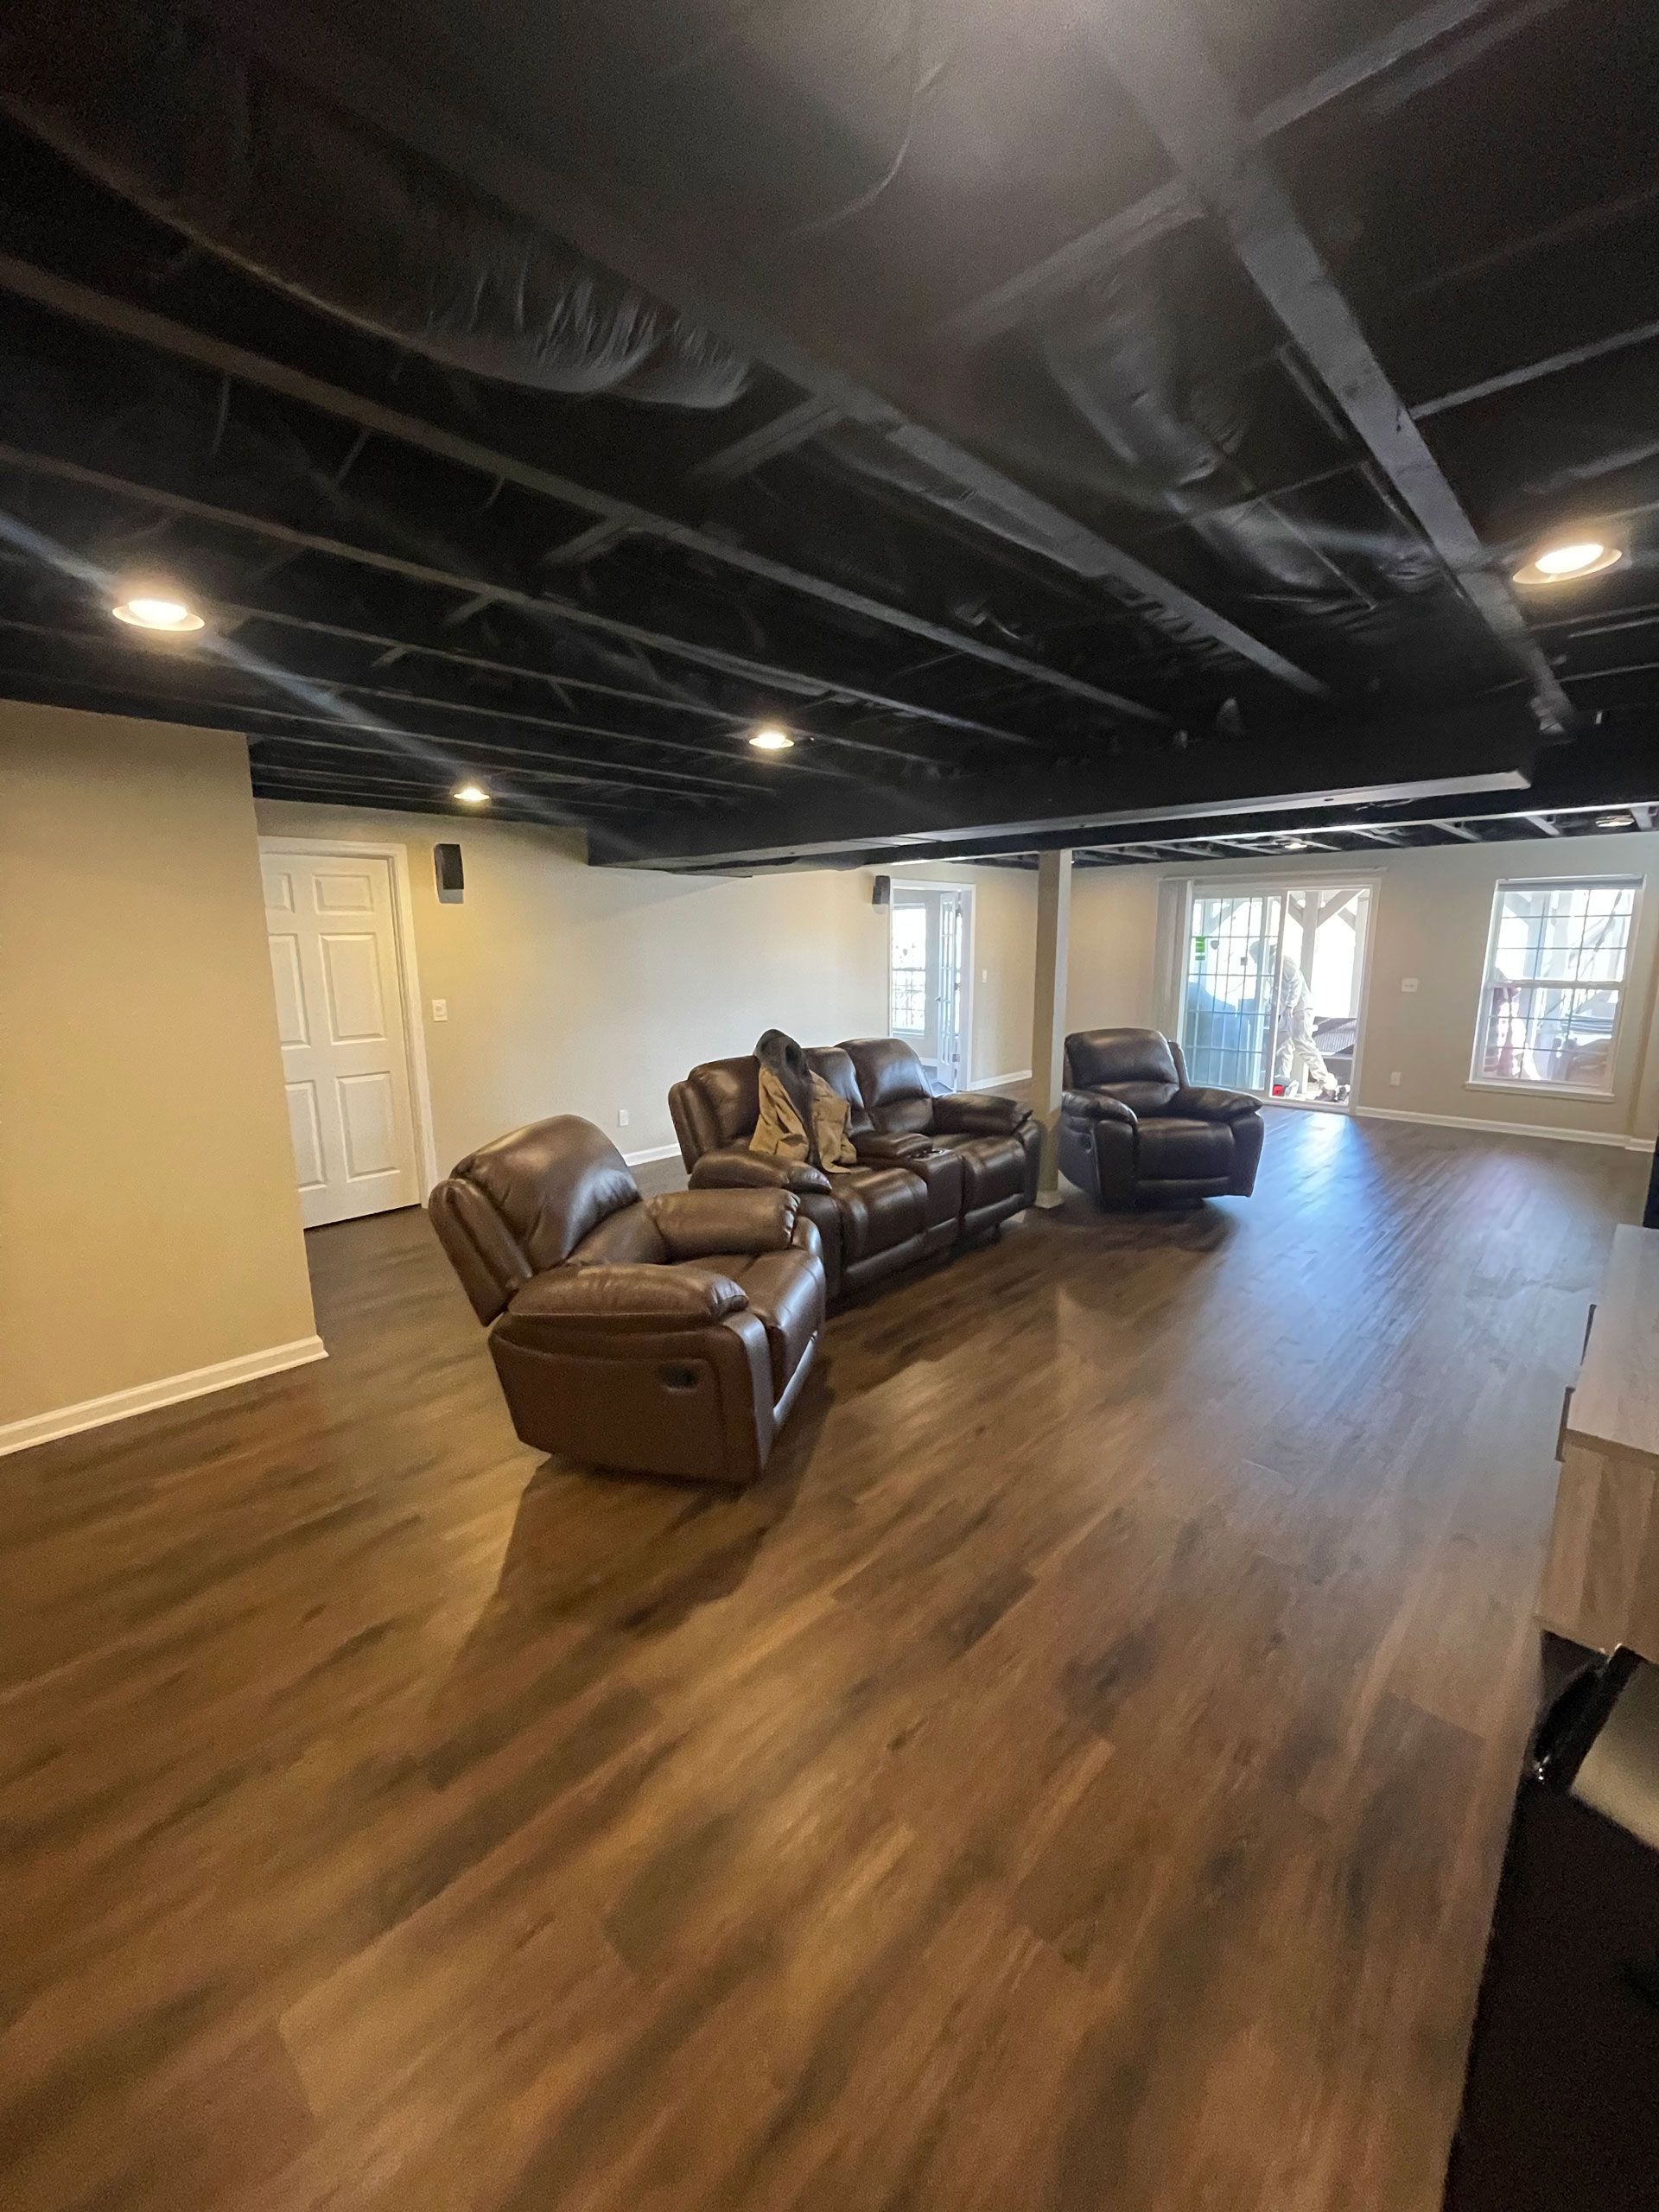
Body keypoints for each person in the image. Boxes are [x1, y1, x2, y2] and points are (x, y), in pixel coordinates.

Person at [1253, 947, 1338, 1098]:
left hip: (1300, 1009)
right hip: (1288, 1011)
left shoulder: (1284, 962)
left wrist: (1289, 1006)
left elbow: (1294, 985)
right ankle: (1282, 1085)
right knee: (1283, 1047)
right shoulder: (1271, 964)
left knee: (1303, 1043)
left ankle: (1327, 1083)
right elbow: (1278, 992)